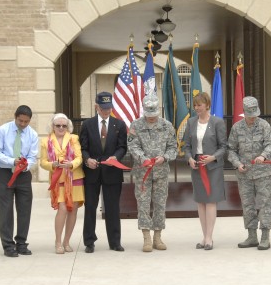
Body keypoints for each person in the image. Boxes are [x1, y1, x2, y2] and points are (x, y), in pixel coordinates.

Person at [127, 94, 177, 252]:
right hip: (143, 173)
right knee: (143, 204)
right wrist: (142, 158)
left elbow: (173, 147)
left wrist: (165, 157)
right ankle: (146, 237)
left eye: (153, 115)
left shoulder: (167, 125)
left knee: (160, 204)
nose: (151, 118)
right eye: (148, 115)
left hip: (161, 172)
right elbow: (132, 146)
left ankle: (158, 236)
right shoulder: (136, 126)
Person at [80, 92, 128, 253]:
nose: (106, 111)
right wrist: (87, 160)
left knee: (113, 208)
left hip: (112, 171)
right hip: (92, 173)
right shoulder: (87, 125)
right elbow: (83, 148)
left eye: (108, 108)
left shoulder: (119, 125)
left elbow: (122, 147)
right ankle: (89, 242)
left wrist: (116, 157)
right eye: (103, 108)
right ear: (96, 107)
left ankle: (115, 242)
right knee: (90, 207)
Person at [227, 96, 271, 250]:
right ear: (244, 112)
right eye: (250, 114)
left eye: (255, 113)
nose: (253, 117)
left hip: (263, 173)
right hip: (244, 174)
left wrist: (263, 155)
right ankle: (252, 236)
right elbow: (231, 149)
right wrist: (237, 164)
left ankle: (265, 237)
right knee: (247, 205)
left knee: (264, 205)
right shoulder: (236, 128)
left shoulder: (264, 125)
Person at [182, 92, 227, 251]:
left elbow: (223, 147)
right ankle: (204, 236)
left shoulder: (217, 122)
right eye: (195, 105)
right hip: (197, 166)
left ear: (207, 105)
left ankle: (209, 237)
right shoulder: (191, 122)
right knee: (201, 201)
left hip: (212, 167)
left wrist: (213, 157)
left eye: (199, 105)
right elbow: (186, 145)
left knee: (211, 200)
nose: (196, 108)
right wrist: (189, 159)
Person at [0, 105, 39, 257]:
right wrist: (13, 161)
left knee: (25, 209)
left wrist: (25, 166)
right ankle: (8, 245)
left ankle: (21, 242)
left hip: (24, 175)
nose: (23, 124)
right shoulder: (3, 130)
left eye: (26, 122)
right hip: (5, 173)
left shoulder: (32, 134)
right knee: (6, 210)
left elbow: (33, 156)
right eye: (20, 121)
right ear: (15, 116)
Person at [39, 113, 85, 254]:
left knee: (73, 210)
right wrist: (53, 165)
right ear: (52, 126)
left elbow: (79, 157)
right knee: (63, 209)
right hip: (58, 178)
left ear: (68, 127)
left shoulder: (73, 138)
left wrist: (71, 164)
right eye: (58, 125)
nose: (60, 128)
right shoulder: (45, 141)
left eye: (64, 126)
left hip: (74, 177)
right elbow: (42, 162)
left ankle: (66, 241)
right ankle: (58, 242)